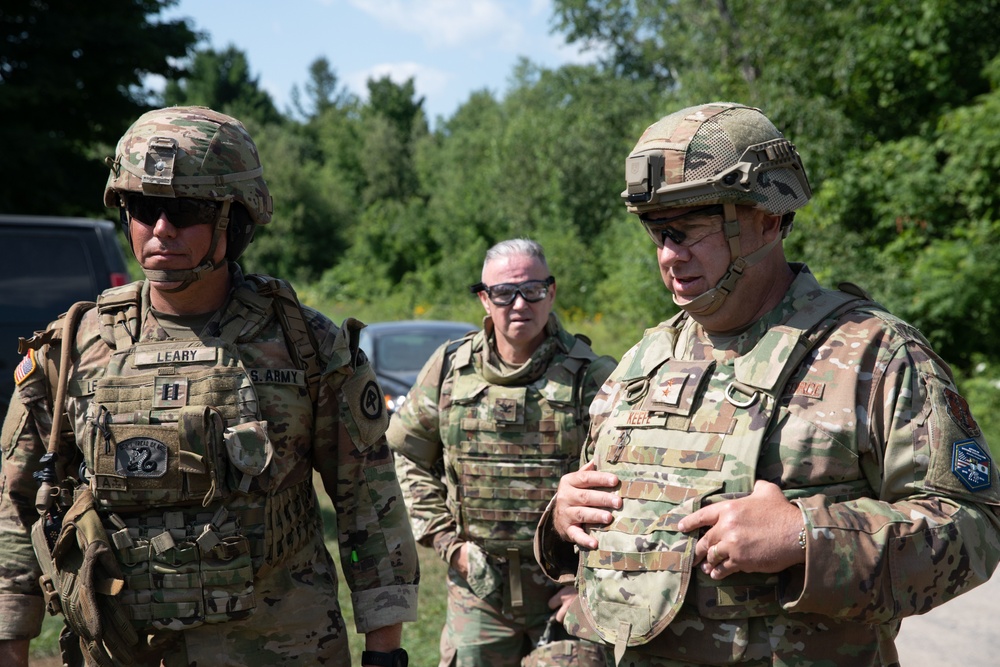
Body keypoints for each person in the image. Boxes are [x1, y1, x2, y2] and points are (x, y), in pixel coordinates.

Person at [533, 102, 1000, 667]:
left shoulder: (874, 355)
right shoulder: (644, 359)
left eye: (691, 228)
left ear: (768, 218)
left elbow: (975, 529)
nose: (668, 255)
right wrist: (562, 518)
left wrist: (807, 538)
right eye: (658, 231)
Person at [0, 105, 418, 667]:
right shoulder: (73, 345)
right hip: (124, 646)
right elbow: (16, 501)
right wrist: (11, 642)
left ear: (236, 220)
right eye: (144, 208)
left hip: (282, 645)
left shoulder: (308, 345)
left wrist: (385, 650)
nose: (161, 229)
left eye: (187, 210)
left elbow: (367, 497)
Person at [387, 239, 617, 667]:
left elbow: (632, 485)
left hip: (566, 591)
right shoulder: (449, 369)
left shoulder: (593, 376)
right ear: (484, 298)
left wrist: (593, 583)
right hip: (478, 591)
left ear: (551, 292)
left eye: (532, 290)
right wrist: (446, 542)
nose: (519, 304)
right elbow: (406, 455)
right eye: (503, 293)